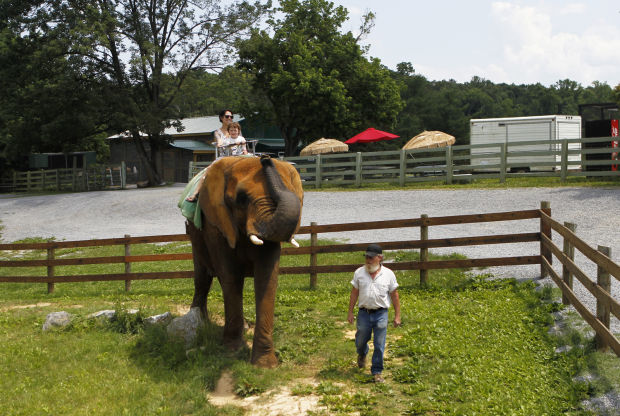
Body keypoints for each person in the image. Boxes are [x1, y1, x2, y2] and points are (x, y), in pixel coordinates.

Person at [347, 244, 401, 383]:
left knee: (379, 343)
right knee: (360, 340)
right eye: (366, 257)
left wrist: (397, 316)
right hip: (364, 313)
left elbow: (394, 295)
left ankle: (377, 372)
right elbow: (354, 293)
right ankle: (361, 353)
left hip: (381, 313)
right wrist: (350, 312)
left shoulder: (388, 274)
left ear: (380, 258)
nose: (368, 260)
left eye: (371, 257)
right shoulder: (359, 272)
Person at [184, 109, 236, 203]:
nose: (229, 118)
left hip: (237, 156)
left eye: (231, 117)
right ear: (221, 118)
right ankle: (195, 194)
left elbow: (242, 141)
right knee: (207, 173)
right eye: (227, 116)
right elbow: (219, 141)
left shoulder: (236, 130)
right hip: (224, 158)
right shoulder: (217, 132)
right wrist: (221, 143)